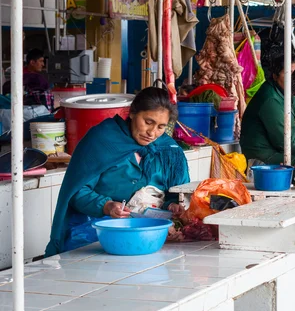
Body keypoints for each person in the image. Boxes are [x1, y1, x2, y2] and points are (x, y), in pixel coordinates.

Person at [45, 87, 190, 256]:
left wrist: (172, 205)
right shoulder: (102, 140)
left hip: (150, 235)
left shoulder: (169, 150)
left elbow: (178, 192)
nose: (152, 133)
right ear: (133, 113)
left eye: (160, 127)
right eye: (148, 122)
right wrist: (106, 206)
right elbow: (77, 191)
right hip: (94, 232)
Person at [240, 53, 295, 166]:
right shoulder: (270, 98)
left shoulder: (288, 93)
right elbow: (284, 142)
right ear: (275, 76)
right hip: (262, 157)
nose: (293, 78)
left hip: (278, 151)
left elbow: (294, 131)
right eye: (288, 73)